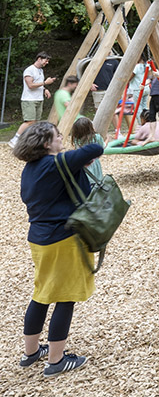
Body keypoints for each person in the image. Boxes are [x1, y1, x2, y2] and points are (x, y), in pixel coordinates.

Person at [14, 121, 103, 376]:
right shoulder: (55, 164)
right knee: (65, 296)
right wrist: (75, 160)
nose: (61, 137)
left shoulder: (30, 169)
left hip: (39, 240)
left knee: (42, 293)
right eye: (57, 136)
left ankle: (31, 353)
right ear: (46, 143)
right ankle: (56, 359)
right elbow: (94, 148)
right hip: (62, 240)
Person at [12, 53, 55, 146]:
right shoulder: (29, 70)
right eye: (46, 60)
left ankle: (28, 141)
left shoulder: (40, 70)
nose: (47, 63)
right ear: (39, 59)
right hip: (29, 99)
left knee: (35, 122)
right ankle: (15, 139)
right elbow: (30, 85)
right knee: (29, 121)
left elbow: (38, 83)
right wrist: (45, 82)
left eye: (48, 61)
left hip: (39, 99)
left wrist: (45, 89)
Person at [70, 118, 106, 187]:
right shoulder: (96, 137)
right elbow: (102, 147)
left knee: (86, 181)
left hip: (82, 163)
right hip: (94, 162)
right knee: (97, 181)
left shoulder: (76, 139)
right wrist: (107, 140)